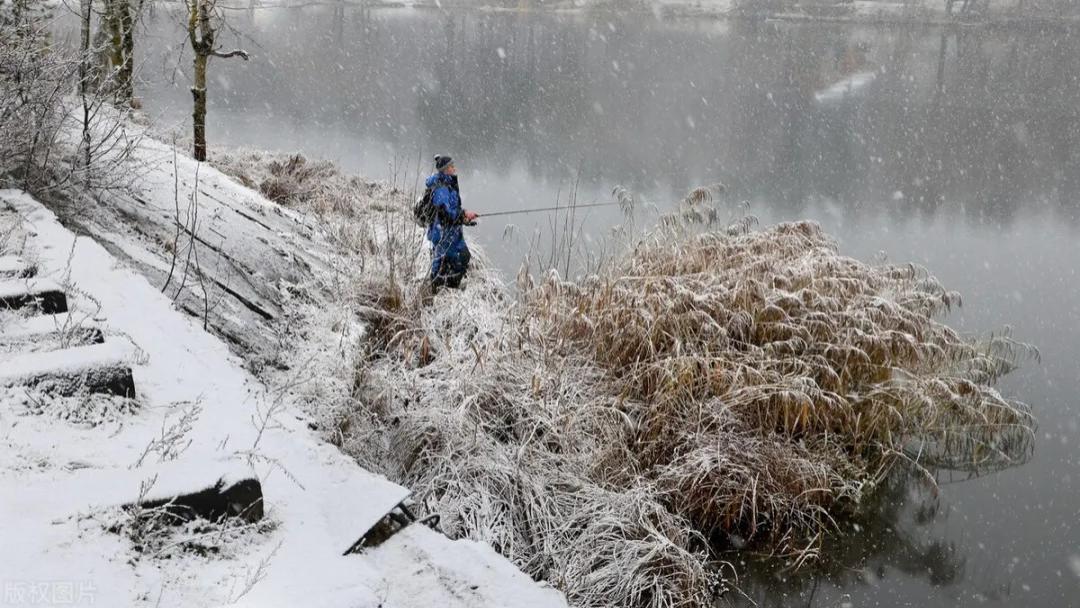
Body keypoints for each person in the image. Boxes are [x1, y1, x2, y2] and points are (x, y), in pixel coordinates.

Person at [426, 155, 478, 290]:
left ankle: (447, 286)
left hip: (452, 232)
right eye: (451, 166)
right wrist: (463, 215)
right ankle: (443, 288)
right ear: (445, 170)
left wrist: (464, 216)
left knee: (459, 258)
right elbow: (445, 214)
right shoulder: (441, 188)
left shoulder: (448, 183)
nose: (454, 168)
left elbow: (453, 209)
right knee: (446, 261)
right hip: (443, 233)